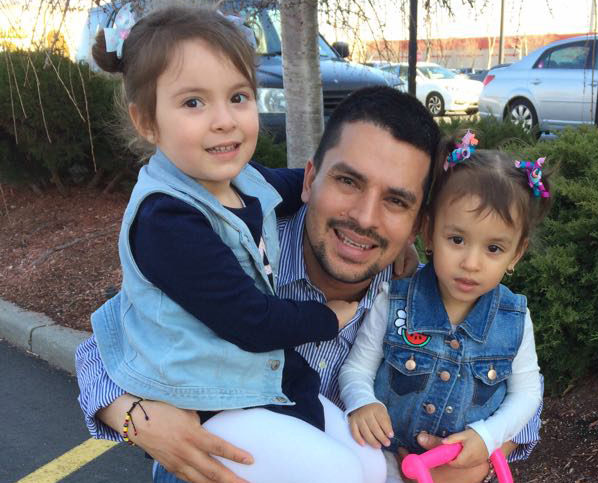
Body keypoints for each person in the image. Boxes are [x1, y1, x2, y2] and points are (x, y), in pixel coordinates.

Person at [76, 85, 543, 482]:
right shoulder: (242, 247)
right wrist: (138, 419)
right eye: (348, 181)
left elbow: (513, 394)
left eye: (395, 202)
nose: (363, 218)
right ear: (310, 178)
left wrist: (476, 460)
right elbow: (109, 341)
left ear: (419, 222)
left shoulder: (416, 298)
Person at [84, 4, 385, 481]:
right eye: (194, 103)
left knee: (372, 465)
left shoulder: (241, 182)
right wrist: (331, 316)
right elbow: (251, 320)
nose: (224, 120)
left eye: (239, 97)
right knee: (340, 474)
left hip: (269, 387)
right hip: (210, 406)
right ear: (146, 121)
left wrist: (357, 189)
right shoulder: (167, 221)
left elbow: (308, 185)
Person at [339, 135, 551, 482]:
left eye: (494, 248)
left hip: (462, 469)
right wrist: (362, 402)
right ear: (428, 232)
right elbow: (356, 369)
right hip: (386, 465)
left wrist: (488, 437)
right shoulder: (394, 302)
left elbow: (527, 394)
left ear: (516, 254)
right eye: (457, 240)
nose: (471, 263)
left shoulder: (513, 318)